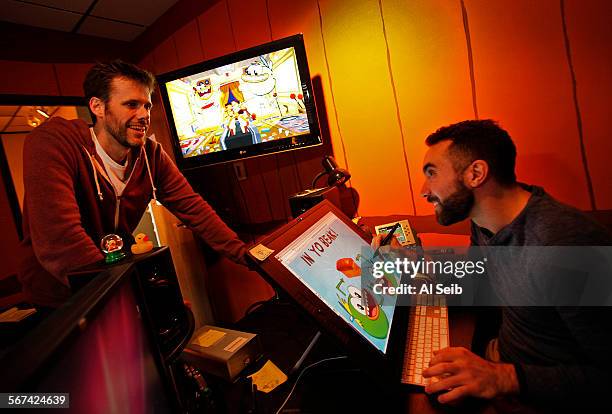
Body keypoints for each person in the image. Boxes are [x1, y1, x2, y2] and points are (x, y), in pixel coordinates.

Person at [18, 60, 248, 309]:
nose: (144, 115)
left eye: (146, 106)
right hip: (61, 297)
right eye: (131, 105)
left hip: (114, 281)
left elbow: (195, 209)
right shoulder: (53, 142)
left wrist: (246, 255)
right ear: (97, 106)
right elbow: (62, 240)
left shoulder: (150, 154)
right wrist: (136, 300)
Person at [416, 120, 611, 411]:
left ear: (476, 174)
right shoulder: (485, 223)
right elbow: (478, 279)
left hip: (536, 391)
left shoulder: (564, 246)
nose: (424, 190)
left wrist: (502, 377)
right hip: (502, 356)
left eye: (432, 173)